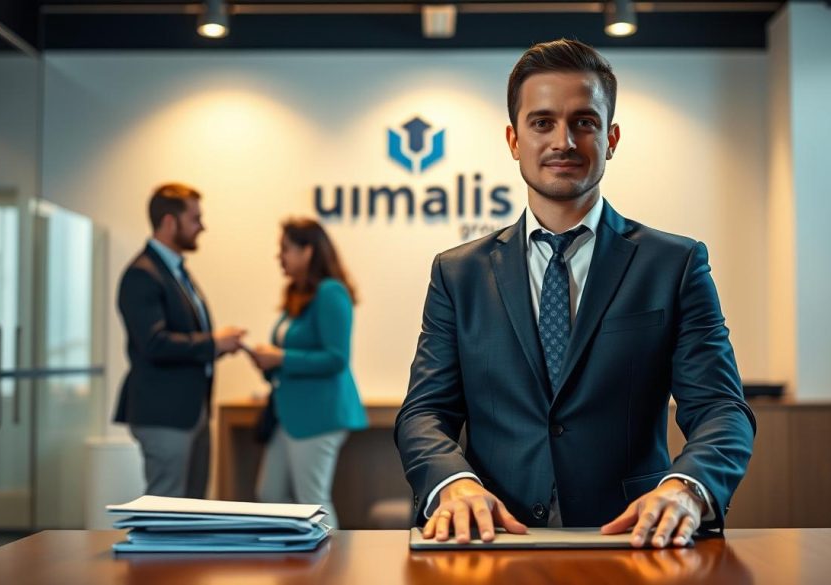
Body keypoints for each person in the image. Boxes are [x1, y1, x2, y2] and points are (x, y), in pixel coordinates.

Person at [395, 39, 755, 548]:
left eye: (583, 122)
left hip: (633, 542)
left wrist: (686, 489)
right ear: (513, 139)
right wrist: (452, 485)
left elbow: (721, 407)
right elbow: (425, 412)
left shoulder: (674, 264)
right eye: (542, 122)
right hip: (495, 539)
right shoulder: (459, 274)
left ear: (610, 138)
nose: (563, 140)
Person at [114, 182, 246, 498]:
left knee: (192, 509)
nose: (202, 226)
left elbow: (180, 336)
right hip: (164, 413)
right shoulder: (142, 273)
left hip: (190, 411)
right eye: (196, 218)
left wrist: (218, 345)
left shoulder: (175, 272)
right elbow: (154, 342)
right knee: (167, 508)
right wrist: (213, 343)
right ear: (170, 222)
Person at [249, 218, 368, 529]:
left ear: (308, 251)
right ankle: (296, 565)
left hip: (319, 414)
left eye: (285, 249)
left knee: (313, 501)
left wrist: (281, 357)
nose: (280, 257)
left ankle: (328, 573)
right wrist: (269, 361)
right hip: (290, 414)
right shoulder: (297, 296)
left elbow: (336, 358)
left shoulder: (331, 292)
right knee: (269, 494)